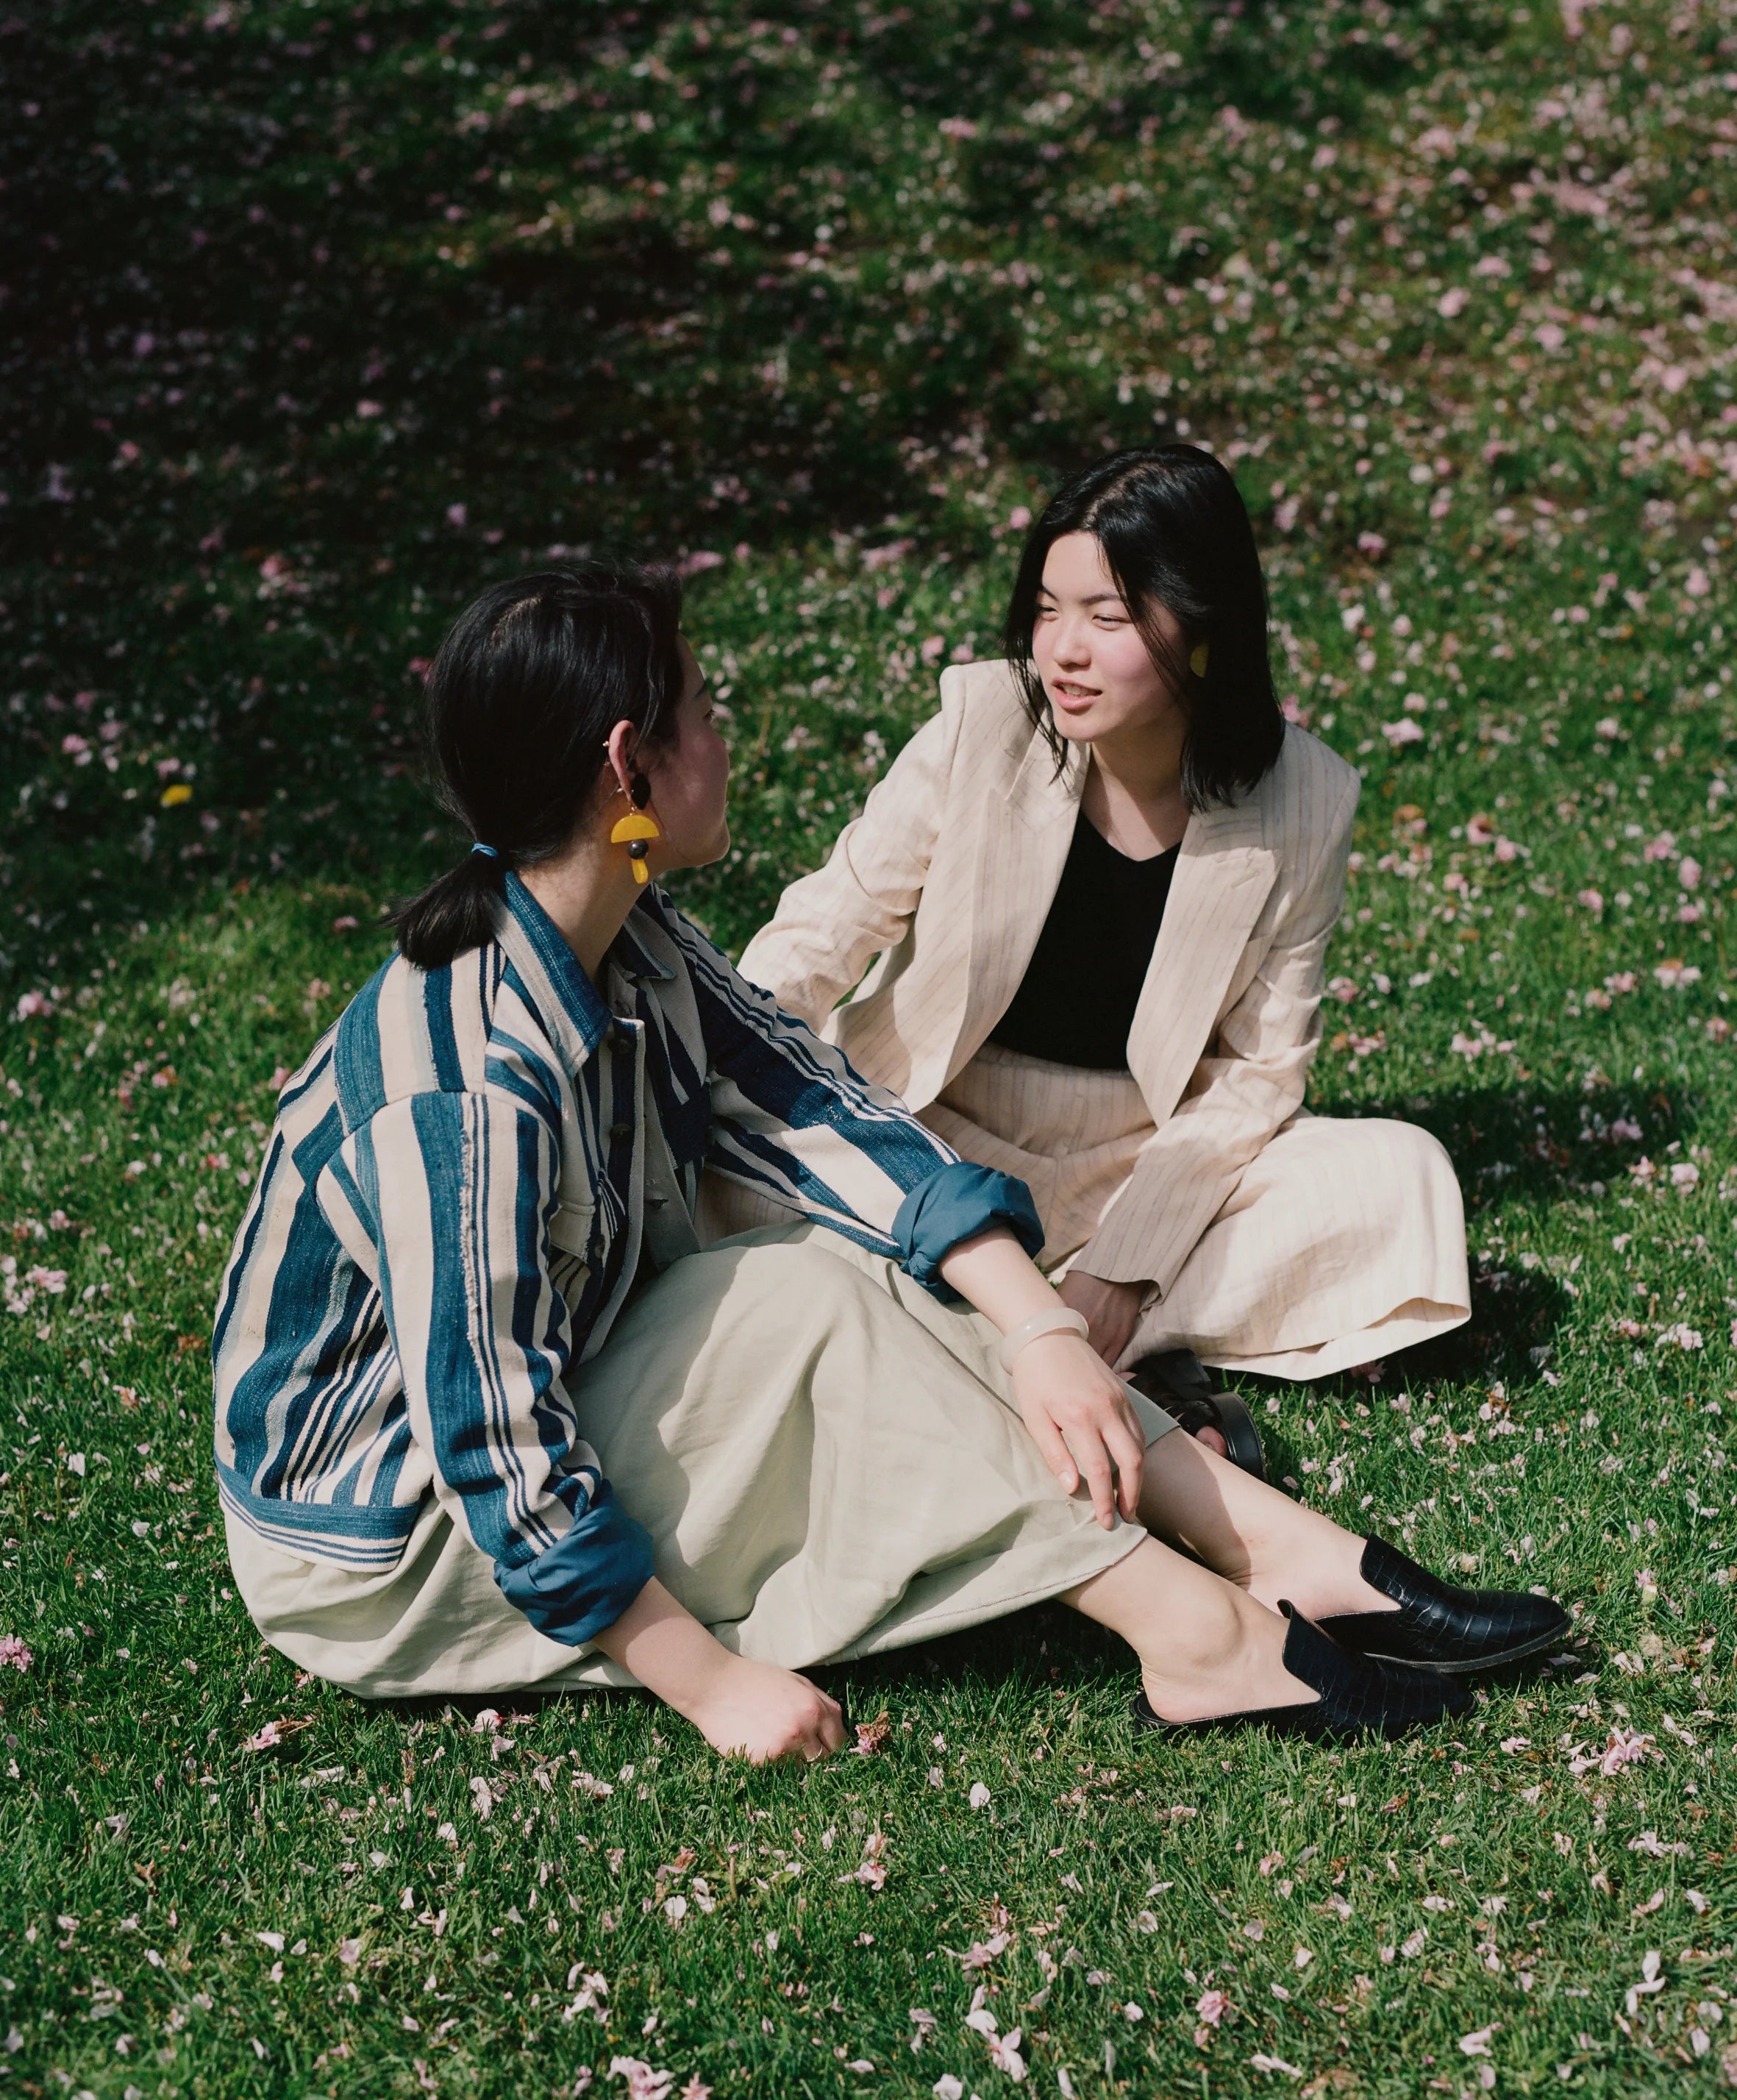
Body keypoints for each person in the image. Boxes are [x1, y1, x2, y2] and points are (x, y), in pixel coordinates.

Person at [213, 562, 1561, 1766]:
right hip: (389, 1541)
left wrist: (1041, 1327)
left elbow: (822, 1109)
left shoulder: (625, 936)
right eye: (703, 710)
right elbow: (495, 1449)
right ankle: (1196, 1630)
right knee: (813, 1303)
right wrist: (714, 1686)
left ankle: (1270, 1546)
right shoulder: (460, 1088)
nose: (725, 738)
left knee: (862, 1261)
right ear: (629, 765)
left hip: (570, 1371)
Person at [735, 445, 1472, 1467]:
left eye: (1108, 618)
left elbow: (1258, 1073)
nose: (1063, 652)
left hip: (1140, 1159)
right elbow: (830, 924)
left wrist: (1127, 1262)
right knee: (745, 1168)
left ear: (1201, 627)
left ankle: (1015, 1325)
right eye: (1048, 611)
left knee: (1399, 1179)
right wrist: (723, 1054)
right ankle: (1079, 1342)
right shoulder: (982, 722)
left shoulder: (1305, 797)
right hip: (933, 1130)